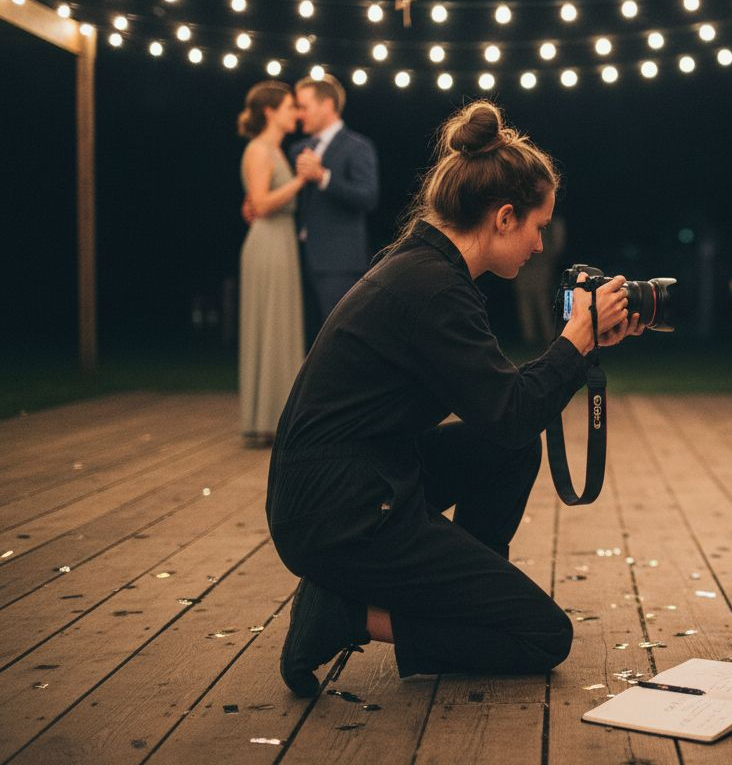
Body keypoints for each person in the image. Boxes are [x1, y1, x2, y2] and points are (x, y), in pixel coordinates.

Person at [266, 101, 644, 696]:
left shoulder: (426, 269)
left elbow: (503, 417)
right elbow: (512, 412)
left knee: (507, 453)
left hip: (354, 483)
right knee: (544, 637)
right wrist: (575, 342)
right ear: (503, 217)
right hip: (341, 514)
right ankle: (343, 615)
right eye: (538, 227)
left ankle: (465, 594)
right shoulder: (432, 288)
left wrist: (580, 347)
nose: (541, 246)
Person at [235, 82, 308, 447]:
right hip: (267, 242)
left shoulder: (275, 150)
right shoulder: (259, 149)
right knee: (269, 325)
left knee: (280, 327)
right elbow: (261, 204)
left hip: (281, 241)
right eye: (290, 106)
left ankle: (275, 418)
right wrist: (300, 180)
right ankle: (264, 420)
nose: (296, 112)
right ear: (270, 111)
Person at [291, 76, 380, 333]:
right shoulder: (298, 149)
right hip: (297, 257)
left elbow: (368, 197)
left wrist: (323, 177)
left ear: (327, 105)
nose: (299, 114)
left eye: (304, 106)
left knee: (340, 335)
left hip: (339, 262)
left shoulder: (358, 147)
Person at [515, 214, 563, 345]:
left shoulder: (552, 223)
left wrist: (547, 257)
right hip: (525, 265)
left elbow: (557, 244)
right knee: (525, 300)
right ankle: (529, 337)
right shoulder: (526, 220)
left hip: (541, 266)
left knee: (542, 300)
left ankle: (547, 334)